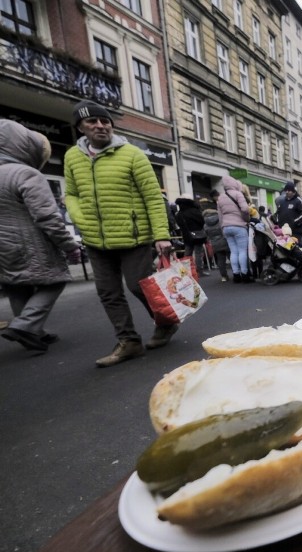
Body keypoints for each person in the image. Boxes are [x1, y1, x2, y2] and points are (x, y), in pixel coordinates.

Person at [63, 100, 175, 367]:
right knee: (108, 292)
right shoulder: (72, 157)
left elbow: (152, 197)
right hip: (95, 238)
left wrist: (162, 235)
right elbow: (72, 194)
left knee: (139, 285)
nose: (100, 126)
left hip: (133, 236)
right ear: (81, 127)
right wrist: (81, 219)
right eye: (93, 122)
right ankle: (129, 341)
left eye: (105, 122)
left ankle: (166, 322)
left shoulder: (132, 154)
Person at [0, 119, 82, 353]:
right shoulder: (26, 174)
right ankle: (25, 325)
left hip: (2, 247)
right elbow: (47, 216)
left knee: (16, 284)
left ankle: (33, 332)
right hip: (29, 243)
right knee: (55, 280)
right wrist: (68, 245)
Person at [217, 175, 252, 283]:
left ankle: (236, 275)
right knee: (242, 251)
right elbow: (245, 209)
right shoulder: (238, 194)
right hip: (239, 226)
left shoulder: (220, 197)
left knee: (233, 252)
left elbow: (220, 215)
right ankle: (245, 274)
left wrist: (222, 227)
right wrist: (247, 215)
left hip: (226, 227)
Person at [174, 194, 209, 276]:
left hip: (186, 235)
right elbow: (201, 221)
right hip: (198, 235)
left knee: (187, 254)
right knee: (198, 253)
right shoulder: (194, 211)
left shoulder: (179, 213)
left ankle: (185, 272)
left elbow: (179, 224)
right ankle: (200, 271)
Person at [204, 191, 231, 282]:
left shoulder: (206, 224)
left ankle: (223, 276)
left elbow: (206, 234)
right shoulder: (221, 219)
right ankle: (237, 273)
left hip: (215, 243)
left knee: (220, 260)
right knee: (231, 256)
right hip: (225, 240)